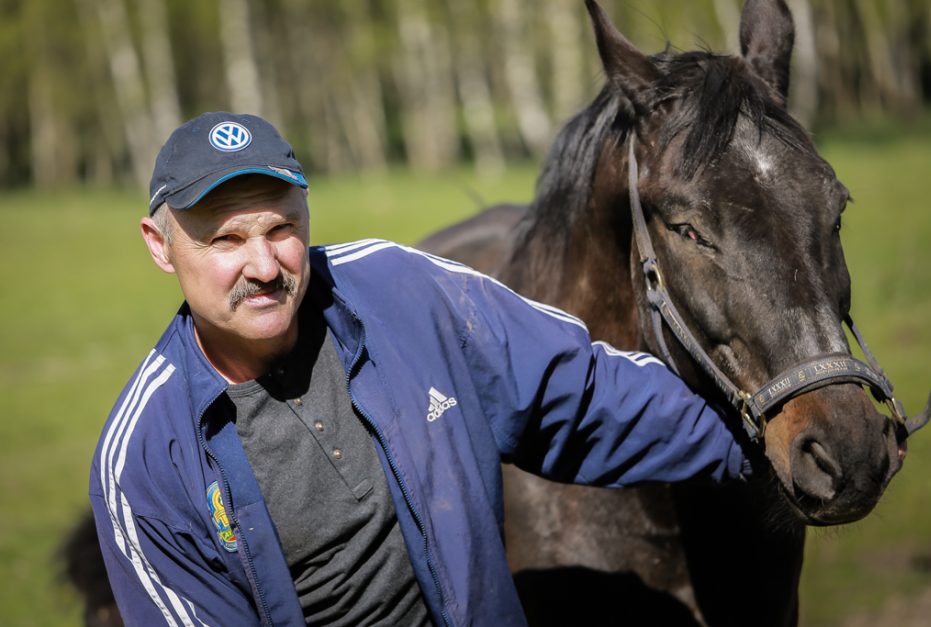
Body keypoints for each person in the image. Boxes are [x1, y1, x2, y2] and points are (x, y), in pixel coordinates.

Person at [89, 111, 750, 626]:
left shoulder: (400, 289)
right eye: (225, 239)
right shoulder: (144, 463)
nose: (264, 266)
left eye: (281, 228)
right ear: (161, 244)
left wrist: (761, 431)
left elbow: (583, 392)